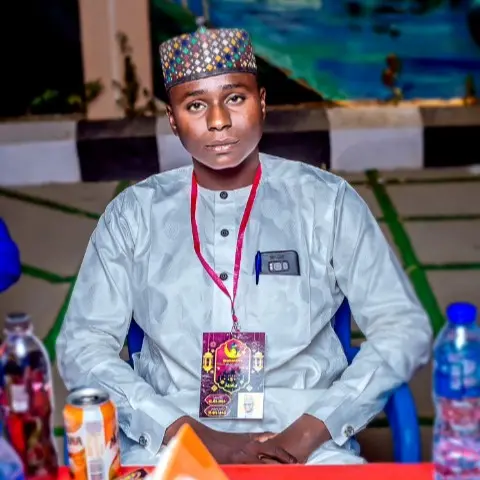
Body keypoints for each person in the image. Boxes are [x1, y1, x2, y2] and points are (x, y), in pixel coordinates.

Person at [56, 25, 432, 466]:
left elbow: (402, 325)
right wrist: (184, 432)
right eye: (196, 105)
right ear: (173, 120)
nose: (218, 121)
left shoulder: (326, 202)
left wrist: (310, 431)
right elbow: (82, 345)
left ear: (262, 102)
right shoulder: (133, 215)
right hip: (170, 444)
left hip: (311, 446)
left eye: (235, 98)